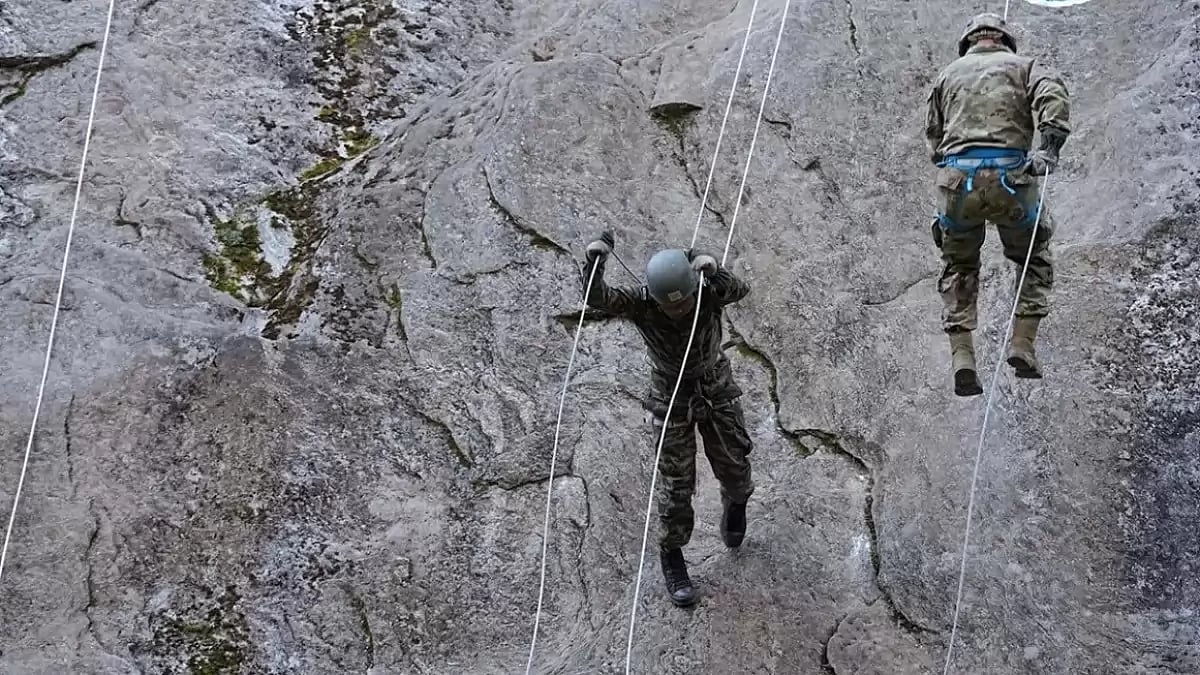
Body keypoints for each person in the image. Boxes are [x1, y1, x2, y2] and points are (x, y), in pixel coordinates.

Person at [581, 230, 754, 607]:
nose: (678, 311)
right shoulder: (643, 303)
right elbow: (598, 298)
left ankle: (736, 503)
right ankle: (672, 555)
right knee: (676, 485)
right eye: (670, 306)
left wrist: (711, 265)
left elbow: (739, 290)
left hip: (715, 386)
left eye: (683, 303)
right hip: (671, 395)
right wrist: (596, 260)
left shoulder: (707, 290)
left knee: (735, 463)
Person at [925, 12, 1071, 396]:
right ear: (1004, 40)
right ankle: (1022, 345)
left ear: (969, 42)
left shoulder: (947, 75)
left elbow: (934, 140)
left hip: (958, 184)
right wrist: (1049, 151)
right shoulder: (1026, 67)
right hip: (1013, 180)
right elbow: (1053, 97)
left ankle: (962, 358)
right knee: (1033, 258)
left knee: (958, 265)